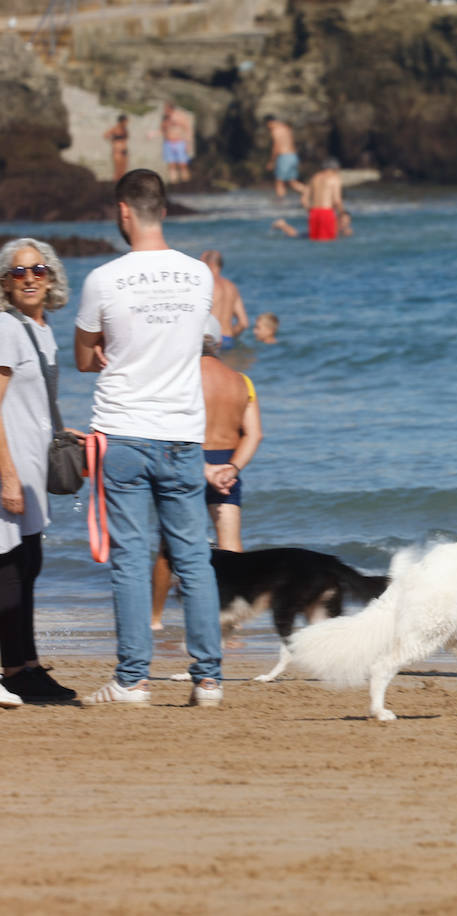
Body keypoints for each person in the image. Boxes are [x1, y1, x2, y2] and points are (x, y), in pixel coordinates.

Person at [73, 168, 226, 707]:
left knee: (132, 560)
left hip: (124, 432)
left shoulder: (103, 279)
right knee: (193, 559)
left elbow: (84, 357)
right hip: (184, 434)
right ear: (164, 208)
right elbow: (205, 339)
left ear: (123, 211)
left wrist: (112, 349)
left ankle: (133, 678)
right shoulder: (199, 276)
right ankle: (208, 680)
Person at [0, 237, 79, 704]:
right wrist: (7, 477)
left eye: (38, 270)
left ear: (51, 278)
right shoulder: (5, 329)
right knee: (9, 571)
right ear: (5, 283)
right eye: (18, 271)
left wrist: (69, 435)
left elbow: (35, 408)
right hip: (10, 469)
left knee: (28, 565)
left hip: (32, 469)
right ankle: (15, 670)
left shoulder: (42, 330)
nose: (29, 278)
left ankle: (26, 664)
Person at [151, 332, 263, 630]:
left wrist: (201, 467)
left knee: (168, 546)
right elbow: (254, 434)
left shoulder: (180, 378)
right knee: (230, 545)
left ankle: (156, 619)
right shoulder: (242, 381)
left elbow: (168, 429)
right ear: (216, 345)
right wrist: (232, 468)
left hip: (188, 460)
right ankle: (232, 622)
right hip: (228, 465)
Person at [200, 250, 248, 351]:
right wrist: (228, 337)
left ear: (210, 264)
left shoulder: (205, 284)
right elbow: (243, 323)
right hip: (229, 339)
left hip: (210, 340)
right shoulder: (231, 287)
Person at [265, 115, 307, 200]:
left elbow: (276, 146)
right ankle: (309, 191)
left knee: (279, 181)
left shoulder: (276, 130)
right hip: (293, 156)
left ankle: (281, 203)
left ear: (269, 123)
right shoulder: (286, 128)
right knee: (292, 182)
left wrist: (272, 161)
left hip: (284, 156)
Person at [304, 158, 345, 242]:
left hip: (314, 212)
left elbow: (304, 199)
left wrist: (310, 211)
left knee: (314, 241)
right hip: (327, 212)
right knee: (327, 242)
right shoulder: (335, 179)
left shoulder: (314, 178)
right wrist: (342, 214)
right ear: (335, 168)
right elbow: (337, 200)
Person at [159, 102, 193, 184]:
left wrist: (188, 143)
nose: (164, 111)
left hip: (179, 142)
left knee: (182, 164)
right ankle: (173, 182)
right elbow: (162, 130)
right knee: (171, 164)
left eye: (166, 109)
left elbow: (187, 129)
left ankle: (186, 182)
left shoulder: (180, 116)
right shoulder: (165, 118)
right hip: (168, 143)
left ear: (171, 108)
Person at [103, 114, 129, 181]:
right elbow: (105, 135)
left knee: (123, 170)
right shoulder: (115, 128)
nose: (127, 123)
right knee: (117, 171)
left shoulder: (125, 129)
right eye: (126, 121)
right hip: (117, 151)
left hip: (124, 151)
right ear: (122, 121)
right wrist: (113, 140)